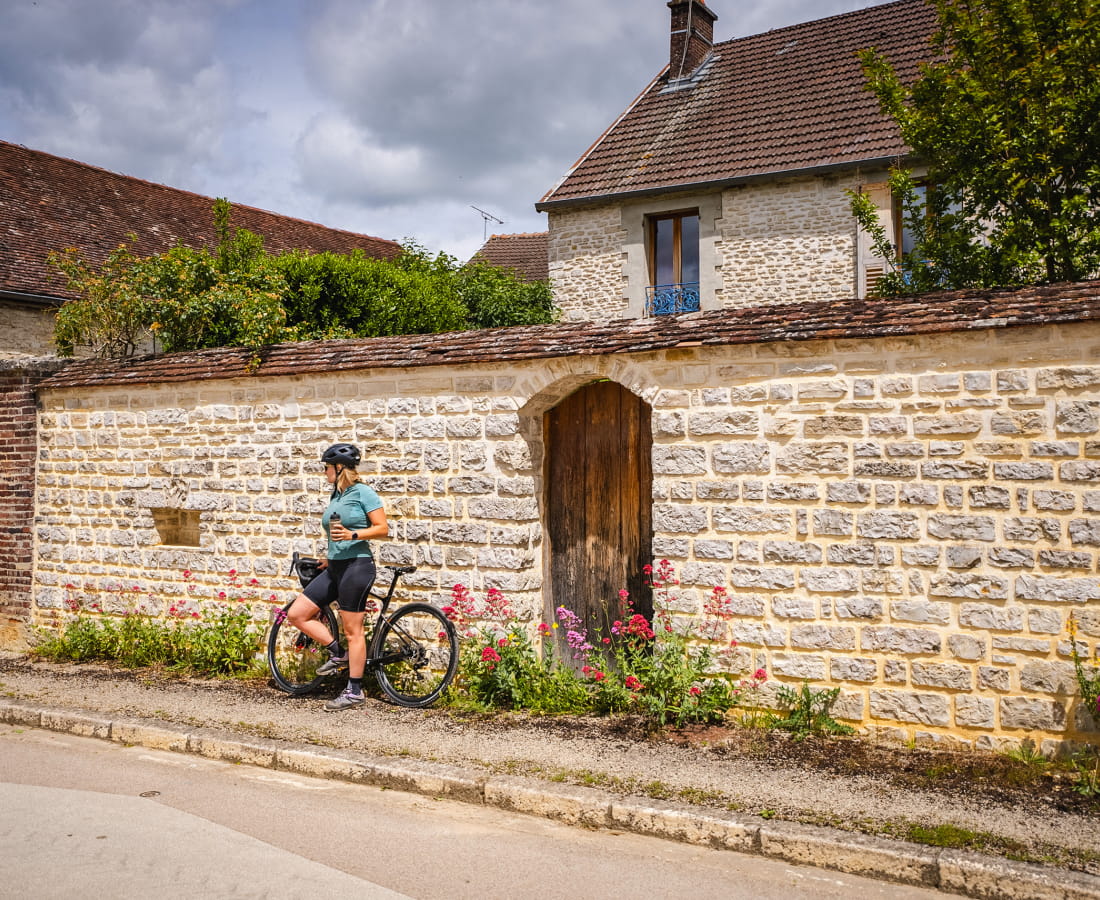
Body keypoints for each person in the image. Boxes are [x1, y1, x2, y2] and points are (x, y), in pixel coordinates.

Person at [285, 442, 388, 711]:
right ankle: (338, 653)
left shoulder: (363, 492)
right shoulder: (337, 495)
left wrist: (354, 535)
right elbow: (335, 533)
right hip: (336, 566)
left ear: (339, 467)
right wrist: (329, 557)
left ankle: (354, 690)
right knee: (297, 614)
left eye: (327, 468)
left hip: (357, 566)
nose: (324, 472)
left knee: (353, 631)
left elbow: (382, 528)